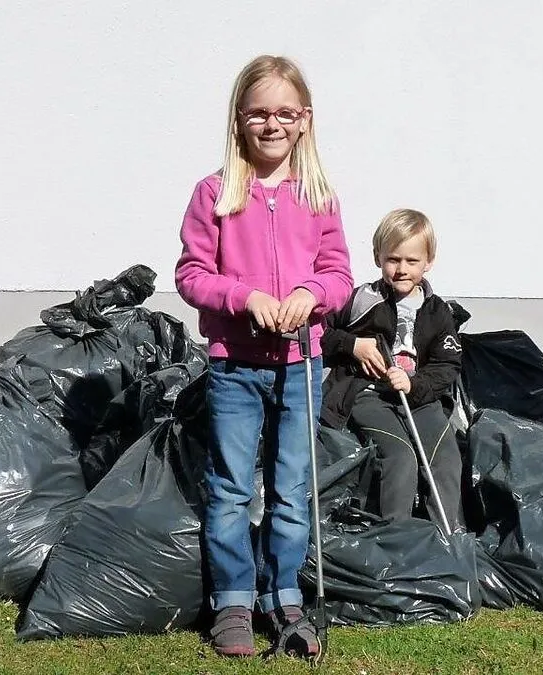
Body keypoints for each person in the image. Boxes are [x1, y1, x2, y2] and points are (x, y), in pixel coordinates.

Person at [175, 54, 353, 657]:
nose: (271, 123)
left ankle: (283, 596)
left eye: (284, 112)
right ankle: (232, 601)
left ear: (304, 120)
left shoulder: (319, 195)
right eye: (258, 112)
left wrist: (310, 295)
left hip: (302, 365)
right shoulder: (215, 193)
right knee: (228, 487)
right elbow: (192, 275)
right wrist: (244, 297)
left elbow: (339, 276)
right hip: (234, 366)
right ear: (238, 119)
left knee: (292, 486)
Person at [319, 209, 464, 529]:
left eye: (412, 261)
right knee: (401, 458)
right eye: (393, 260)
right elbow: (318, 334)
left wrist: (415, 385)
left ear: (429, 261)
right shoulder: (359, 300)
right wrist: (352, 346)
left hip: (419, 399)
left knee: (446, 460)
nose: (401, 270)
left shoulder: (438, 311)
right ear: (377, 257)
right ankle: (394, 543)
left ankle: (446, 544)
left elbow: (446, 365)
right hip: (368, 395)